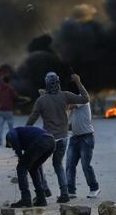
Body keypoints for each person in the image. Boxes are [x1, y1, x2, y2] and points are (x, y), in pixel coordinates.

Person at [26, 72, 90, 203]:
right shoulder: (65, 96)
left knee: (37, 163)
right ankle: (64, 194)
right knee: (58, 164)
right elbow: (85, 98)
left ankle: (44, 189)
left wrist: (26, 131)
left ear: (47, 84)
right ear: (58, 83)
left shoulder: (41, 100)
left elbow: (32, 118)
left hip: (48, 139)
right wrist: (78, 82)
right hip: (63, 138)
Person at [6, 126, 56, 208]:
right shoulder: (25, 135)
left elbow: (13, 137)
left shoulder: (10, 133)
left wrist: (19, 155)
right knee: (34, 168)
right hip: (51, 142)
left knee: (21, 168)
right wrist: (21, 157)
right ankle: (41, 198)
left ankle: (26, 199)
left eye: (11, 146)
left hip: (41, 140)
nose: (12, 148)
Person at [66, 102, 100, 198]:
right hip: (74, 138)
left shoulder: (82, 98)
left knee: (86, 165)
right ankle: (70, 190)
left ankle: (94, 188)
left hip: (86, 137)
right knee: (69, 165)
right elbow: (72, 125)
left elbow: (68, 105)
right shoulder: (71, 106)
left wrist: (52, 100)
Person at [0, 75, 20, 146]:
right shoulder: (10, 88)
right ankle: (12, 140)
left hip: (0, 110)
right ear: (9, 81)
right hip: (8, 110)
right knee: (11, 127)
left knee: (0, 127)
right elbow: (16, 97)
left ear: (3, 81)